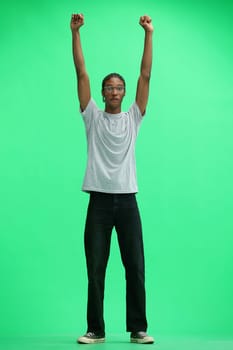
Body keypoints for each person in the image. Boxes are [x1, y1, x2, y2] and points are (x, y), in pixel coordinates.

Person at [70, 13, 154, 344]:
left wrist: (149, 33)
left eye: (120, 87)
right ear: (103, 93)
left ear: (124, 92)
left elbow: (145, 74)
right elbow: (81, 72)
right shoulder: (92, 117)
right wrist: (75, 33)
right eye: (110, 87)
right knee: (95, 270)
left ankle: (138, 328)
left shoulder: (134, 117)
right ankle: (96, 330)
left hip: (128, 201)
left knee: (135, 267)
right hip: (99, 203)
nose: (115, 91)